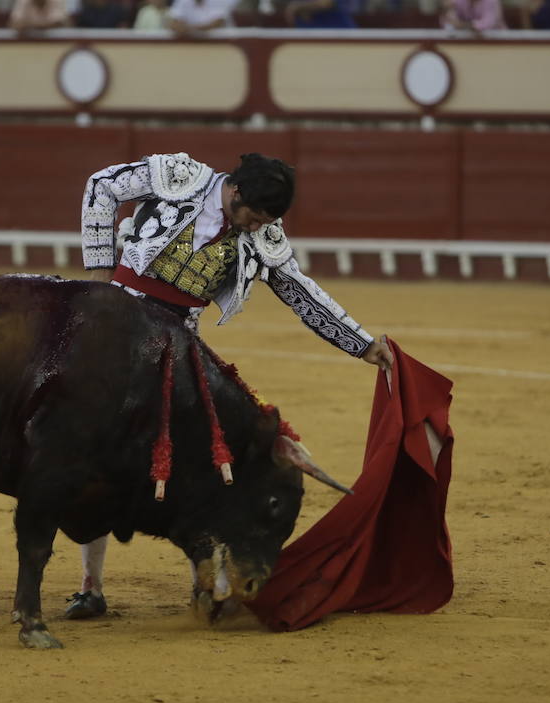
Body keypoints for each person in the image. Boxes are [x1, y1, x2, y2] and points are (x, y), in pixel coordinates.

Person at [64, 151, 395, 621]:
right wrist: (98, 272)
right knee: (95, 447)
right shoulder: (179, 177)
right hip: (116, 327)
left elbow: (299, 291)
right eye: (254, 217)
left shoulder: (262, 233)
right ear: (234, 191)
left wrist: (362, 344)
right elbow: (101, 185)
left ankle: (209, 581)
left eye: (266, 222)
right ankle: (90, 587)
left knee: (200, 457)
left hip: (179, 343)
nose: (257, 228)